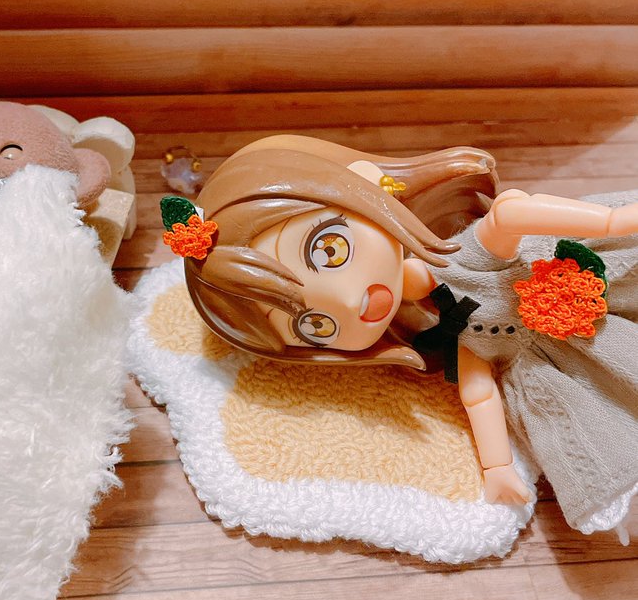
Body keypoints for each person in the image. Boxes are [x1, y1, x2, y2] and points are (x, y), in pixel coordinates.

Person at [166, 134, 638, 534]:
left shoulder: (463, 255)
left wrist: (615, 223)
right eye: (315, 325)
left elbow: (511, 214)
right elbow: (478, 392)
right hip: (558, 360)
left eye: (329, 250)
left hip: (596, 278)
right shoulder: (444, 331)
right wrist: (496, 466)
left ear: (364, 185)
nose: (349, 301)